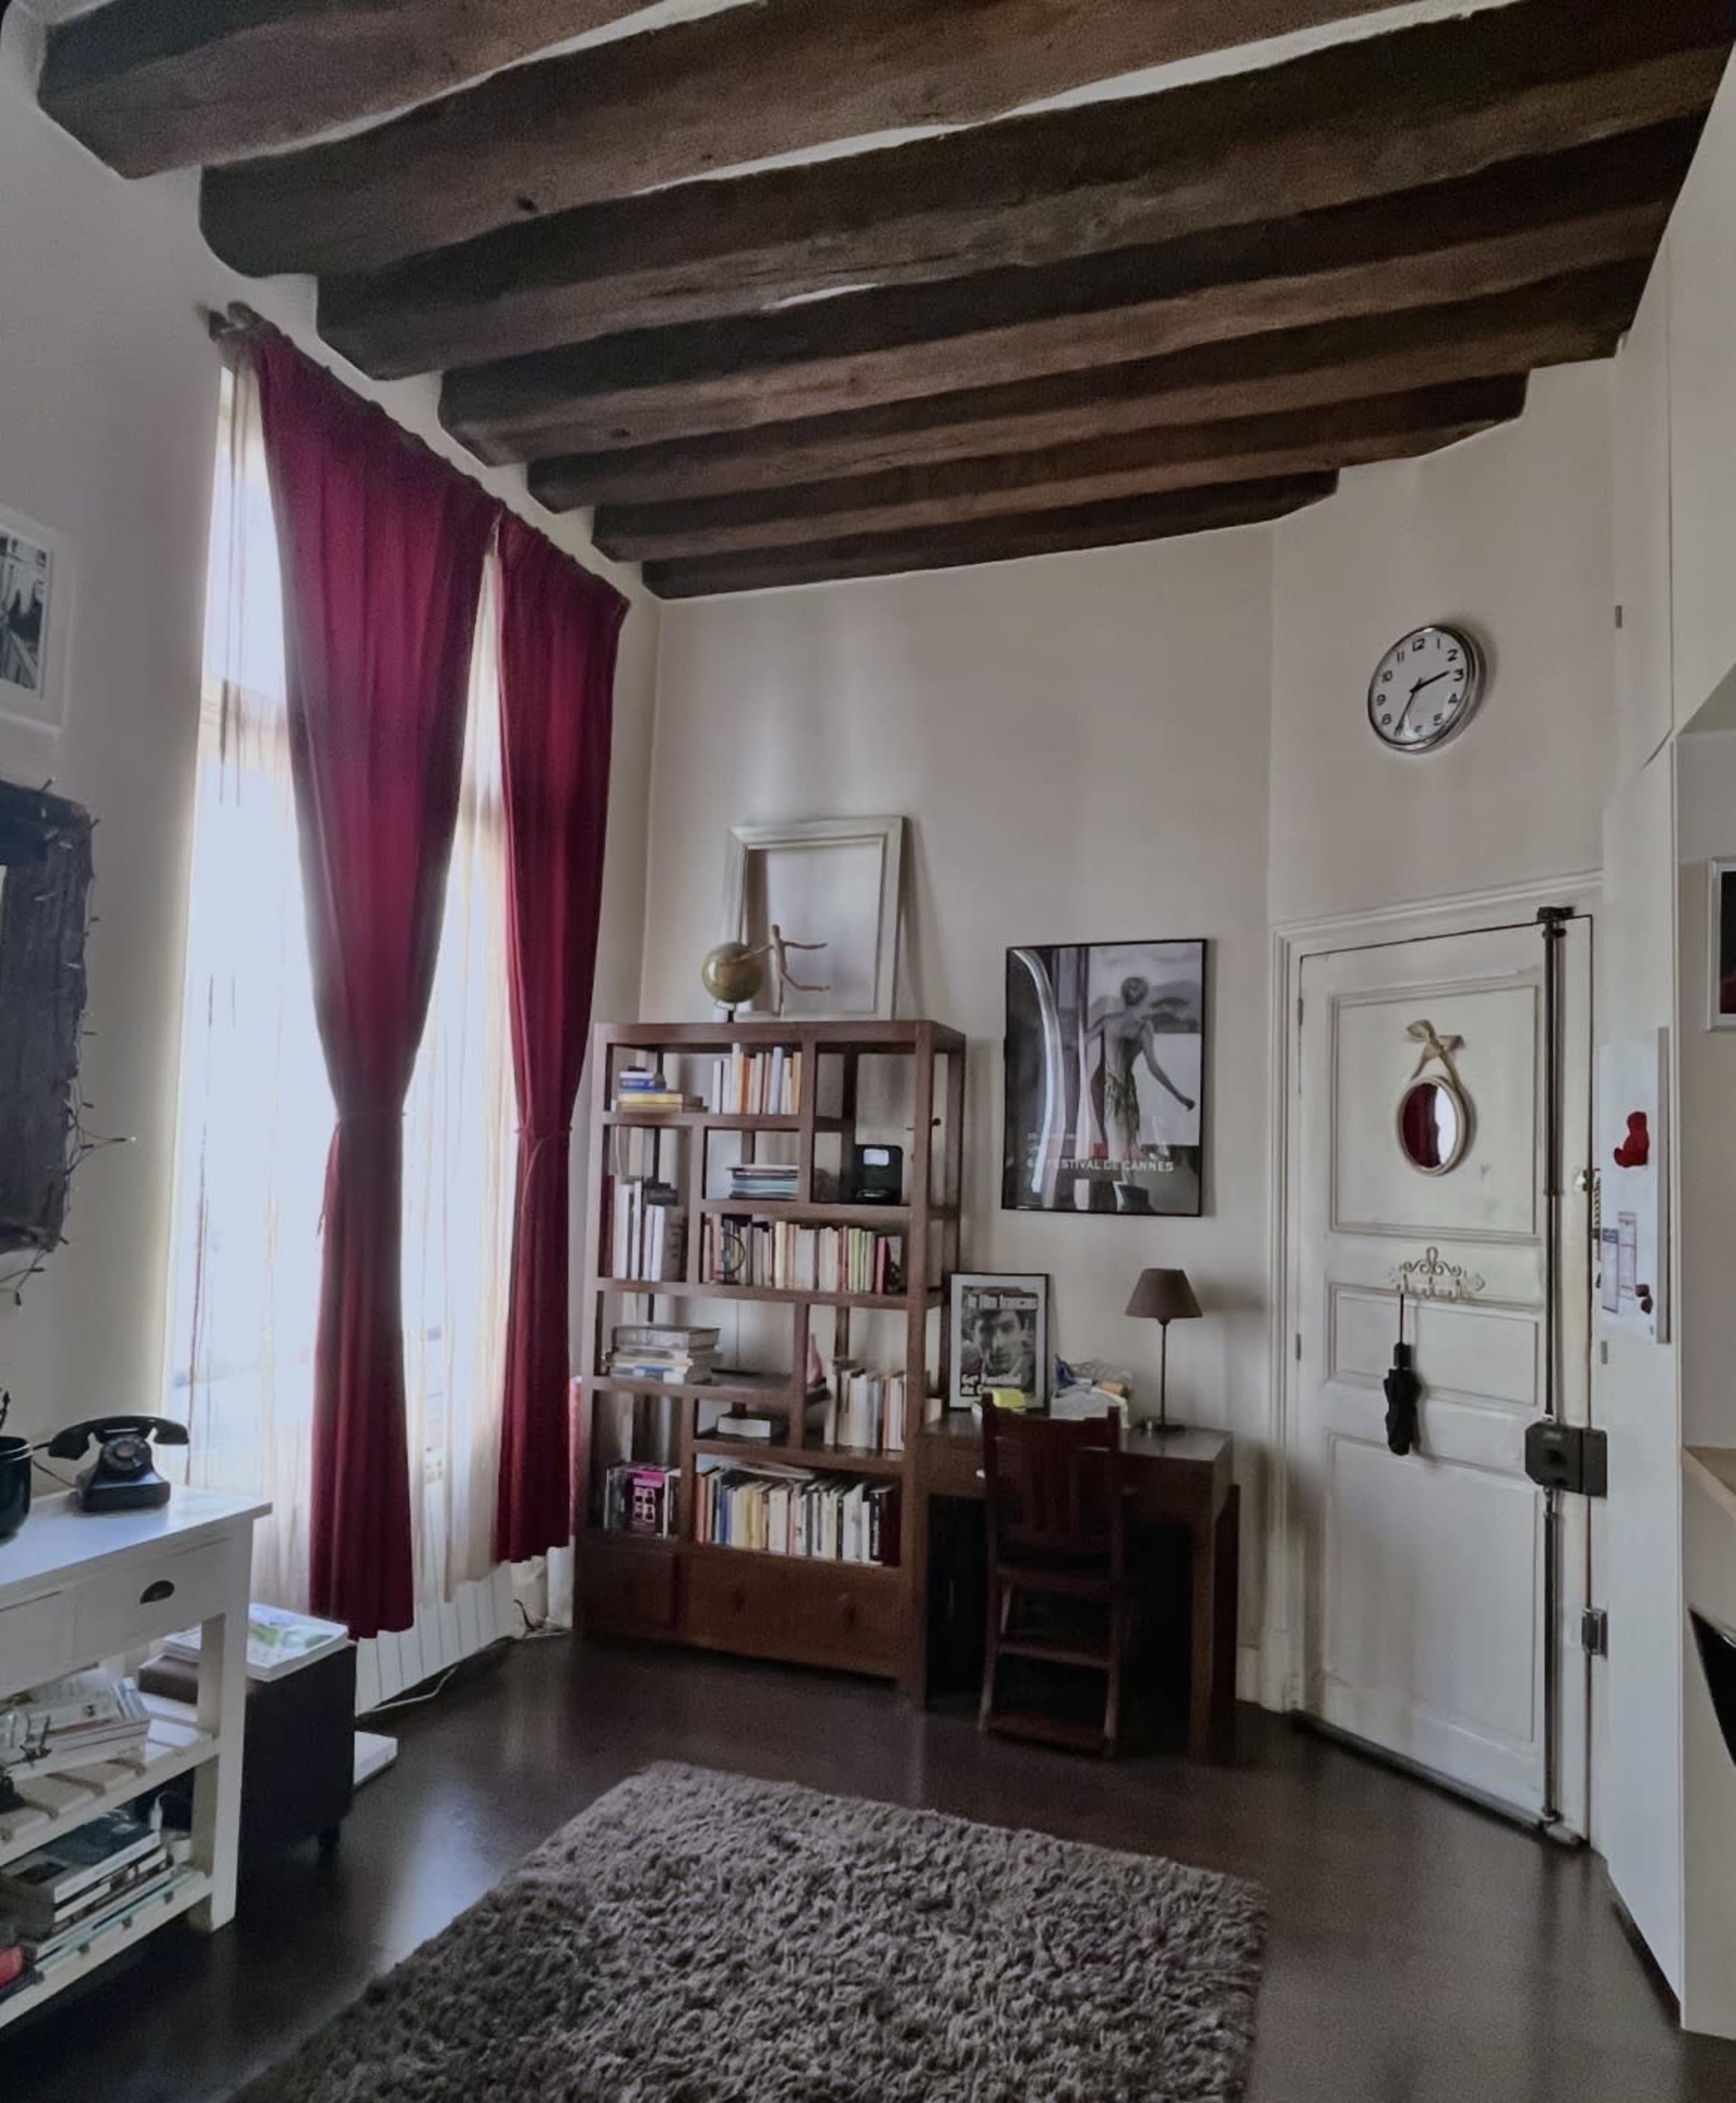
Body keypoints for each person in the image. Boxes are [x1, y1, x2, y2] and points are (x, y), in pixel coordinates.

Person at [1084, 975, 1195, 1162]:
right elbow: (1154, 1068)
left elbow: (1079, 1041)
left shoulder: (1108, 1021)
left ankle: (1114, 1179)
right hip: (1121, 1088)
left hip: (1100, 1083)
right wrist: (1179, 1096)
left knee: (1111, 1139)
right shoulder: (1143, 1028)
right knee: (1124, 1142)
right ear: (1145, 997)